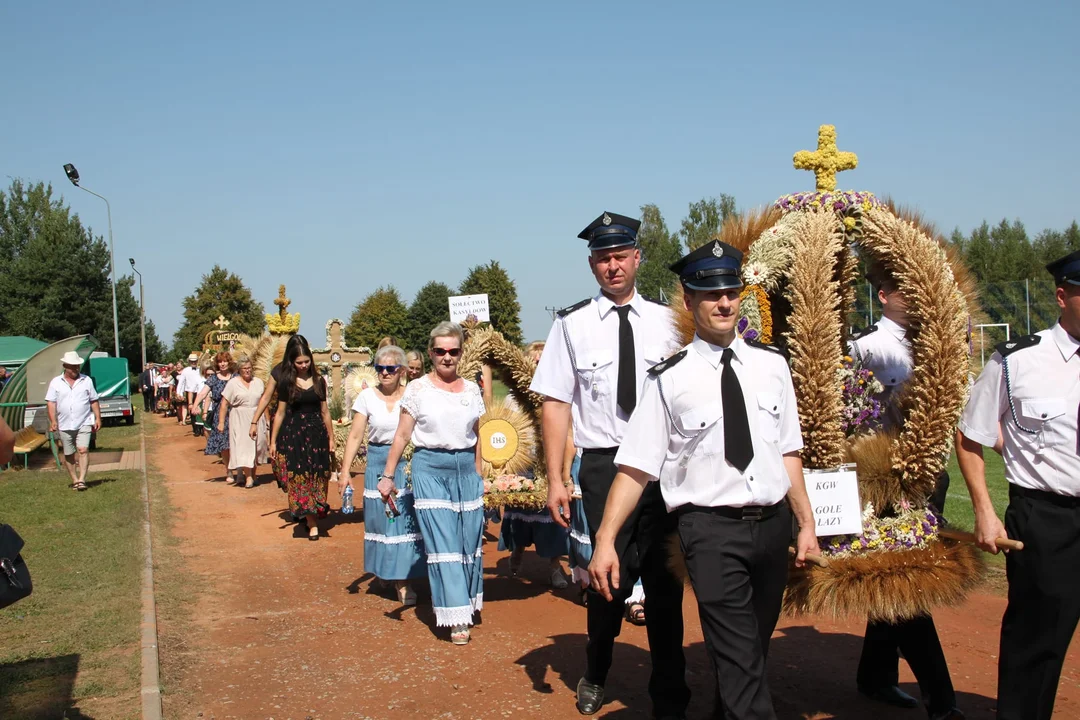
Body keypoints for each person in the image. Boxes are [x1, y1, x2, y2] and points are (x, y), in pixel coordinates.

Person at [590, 239, 819, 720]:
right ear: (689, 300)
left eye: (732, 291)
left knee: (751, 653)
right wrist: (606, 540)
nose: (724, 302)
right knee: (738, 658)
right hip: (710, 532)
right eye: (710, 293)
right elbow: (635, 467)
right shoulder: (669, 378)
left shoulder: (773, 366)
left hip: (773, 527)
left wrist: (806, 524)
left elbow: (788, 451)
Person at [529, 211, 689, 717]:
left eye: (621, 255)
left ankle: (669, 690)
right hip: (604, 465)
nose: (612, 266)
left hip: (664, 471)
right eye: (603, 257)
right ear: (591, 264)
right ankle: (596, 670)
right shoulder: (571, 325)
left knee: (666, 583)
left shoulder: (670, 322)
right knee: (606, 579)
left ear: (638, 258)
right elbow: (554, 402)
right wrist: (556, 477)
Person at [955, 249, 1080, 720]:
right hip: (1047, 520)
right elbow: (970, 437)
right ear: (1062, 296)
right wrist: (985, 512)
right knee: (1038, 643)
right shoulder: (1017, 361)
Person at [849, 271, 962, 720]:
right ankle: (943, 698)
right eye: (903, 290)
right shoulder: (867, 347)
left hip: (930, 475)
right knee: (905, 578)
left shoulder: (938, 338)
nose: (915, 297)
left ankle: (875, 676)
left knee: (894, 575)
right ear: (883, 295)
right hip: (884, 482)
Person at [381, 322, 486, 645]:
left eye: (453, 351)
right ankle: (456, 618)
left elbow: (480, 434)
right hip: (429, 470)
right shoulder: (417, 389)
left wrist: (482, 474)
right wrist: (387, 475)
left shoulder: (471, 389)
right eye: (440, 351)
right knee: (445, 544)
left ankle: (465, 601)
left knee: (468, 543)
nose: (446, 357)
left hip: (467, 471)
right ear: (430, 353)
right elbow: (401, 435)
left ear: (461, 353)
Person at [340, 345, 425, 605]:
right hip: (377, 464)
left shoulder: (412, 394)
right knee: (381, 522)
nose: (385, 373)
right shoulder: (366, 398)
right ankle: (386, 572)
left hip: (404, 464)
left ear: (401, 371)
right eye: (380, 369)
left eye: (390, 369)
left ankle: (403, 581)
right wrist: (344, 472)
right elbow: (355, 436)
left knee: (401, 521)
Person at [499, 341, 570, 589]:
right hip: (521, 464)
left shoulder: (557, 397)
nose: (538, 365)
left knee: (550, 518)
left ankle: (554, 568)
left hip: (548, 465)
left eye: (542, 361)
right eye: (534, 361)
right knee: (520, 517)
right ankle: (516, 551)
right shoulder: (511, 399)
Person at [269, 336, 334, 540]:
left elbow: (325, 411)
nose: (304, 366)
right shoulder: (287, 382)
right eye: (299, 363)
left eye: (307, 361)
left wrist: (331, 437)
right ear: (292, 362)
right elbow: (279, 413)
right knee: (301, 476)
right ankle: (311, 522)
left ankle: (313, 512)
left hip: (317, 435)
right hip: (295, 434)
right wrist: (272, 441)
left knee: (319, 475)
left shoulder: (319, 381)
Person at [45, 352, 101, 492]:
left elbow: (93, 400)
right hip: (64, 424)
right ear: (65, 366)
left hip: (84, 421)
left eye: (77, 366)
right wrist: (53, 421)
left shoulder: (86, 380)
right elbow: (51, 403)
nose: (76, 369)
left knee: (83, 449)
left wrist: (98, 418)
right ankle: (74, 479)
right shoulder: (56, 382)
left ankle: (82, 479)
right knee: (69, 453)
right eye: (73, 367)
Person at [219, 355, 268, 488]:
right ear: (239, 370)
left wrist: (267, 421)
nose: (247, 370)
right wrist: (221, 422)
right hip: (240, 417)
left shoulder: (258, 382)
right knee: (245, 447)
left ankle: (254, 473)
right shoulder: (233, 383)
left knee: (258, 446)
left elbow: (264, 402)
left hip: (257, 416)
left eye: (249, 368)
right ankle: (248, 477)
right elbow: (224, 404)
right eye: (244, 368)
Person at [200, 352, 235, 480]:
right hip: (219, 414)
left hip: (235, 413)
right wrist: (194, 404)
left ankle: (241, 471)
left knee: (236, 442)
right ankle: (229, 470)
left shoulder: (236, 377)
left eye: (225, 361)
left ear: (229, 362)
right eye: (220, 362)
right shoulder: (213, 378)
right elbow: (203, 393)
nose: (223, 364)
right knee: (224, 445)